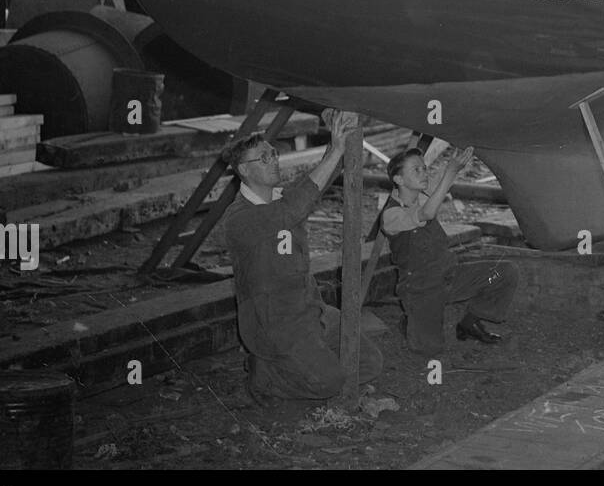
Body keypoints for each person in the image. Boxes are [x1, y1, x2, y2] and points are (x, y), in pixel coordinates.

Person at [222, 110, 383, 406]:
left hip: (310, 310)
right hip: (273, 323)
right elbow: (296, 206)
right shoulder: (240, 219)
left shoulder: (280, 197)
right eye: (264, 158)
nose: (274, 161)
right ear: (243, 170)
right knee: (329, 381)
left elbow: (317, 183)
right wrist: (335, 149)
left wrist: (339, 133)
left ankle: (302, 361)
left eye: (274, 154)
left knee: (370, 363)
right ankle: (266, 376)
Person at [377, 146, 519, 356]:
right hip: (422, 289)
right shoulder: (391, 216)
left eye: (424, 168)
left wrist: (453, 166)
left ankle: (470, 322)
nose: (424, 173)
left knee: (504, 273)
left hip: (451, 277)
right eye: (416, 170)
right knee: (430, 350)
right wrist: (451, 172)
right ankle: (410, 320)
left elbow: (432, 198)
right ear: (398, 179)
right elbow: (426, 213)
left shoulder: (422, 196)